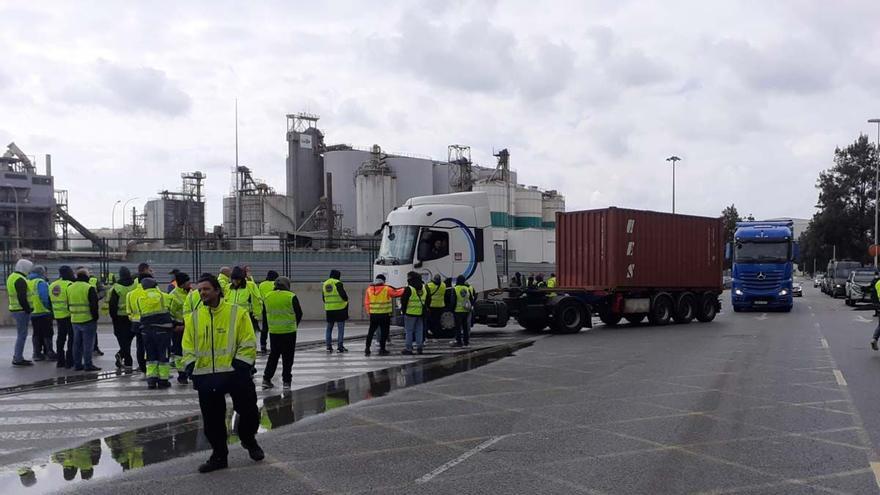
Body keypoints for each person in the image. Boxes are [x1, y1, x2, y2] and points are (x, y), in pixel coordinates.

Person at [182, 274, 263, 473]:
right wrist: (192, 367)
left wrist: (240, 366)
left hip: (235, 373)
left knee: (249, 413)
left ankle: (248, 439)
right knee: (212, 421)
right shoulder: (193, 318)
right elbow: (187, 346)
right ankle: (219, 456)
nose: (202, 293)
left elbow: (248, 341)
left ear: (217, 290)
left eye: (206, 289)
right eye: (200, 290)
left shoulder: (237, 313)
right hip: (206, 376)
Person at [261, 276, 303, 389]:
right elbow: (299, 313)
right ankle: (286, 381)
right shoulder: (291, 296)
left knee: (273, 356)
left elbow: (265, 315)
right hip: (289, 332)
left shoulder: (267, 296)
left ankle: (266, 378)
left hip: (274, 332)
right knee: (288, 357)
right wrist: (294, 325)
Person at [134, 276, 174, 389]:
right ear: (155, 285)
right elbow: (172, 309)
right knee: (163, 355)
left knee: (151, 356)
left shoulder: (139, 299)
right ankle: (163, 380)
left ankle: (151, 380)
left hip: (146, 331)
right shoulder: (164, 297)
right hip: (162, 330)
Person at [69, 267, 100, 371]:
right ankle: (88, 364)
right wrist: (95, 317)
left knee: (76, 344)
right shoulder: (89, 287)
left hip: (74, 319)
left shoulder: (70, 287)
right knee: (88, 344)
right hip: (88, 319)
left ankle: (77, 364)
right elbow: (94, 305)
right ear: (87, 276)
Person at [363, 274, 403, 356]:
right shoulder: (386, 289)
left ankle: (367, 348)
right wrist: (406, 289)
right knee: (384, 332)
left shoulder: (369, 289)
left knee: (371, 331)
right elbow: (396, 293)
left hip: (374, 315)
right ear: (383, 281)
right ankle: (382, 349)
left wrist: (369, 312)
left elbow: (366, 302)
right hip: (385, 315)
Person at [126, 262, 153, 373]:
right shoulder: (151, 292)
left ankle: (142, 367)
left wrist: (133, 318)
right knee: (151, 346)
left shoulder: (131, 294)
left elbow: (129, 311)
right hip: (150, 322)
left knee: (140, 346)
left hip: (136, 323)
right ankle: (150, 367)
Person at [108, 267, 136, 370]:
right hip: (132, 316)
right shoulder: (135, 285)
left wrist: (113, 318)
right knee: (129, 338)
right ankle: (123, 356)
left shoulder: (116, 288)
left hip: (119, 317)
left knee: (122, 338)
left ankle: (125, 357)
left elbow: (113, 306)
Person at [9, 258, 34, 366]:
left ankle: (18, 357)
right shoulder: (20, 279)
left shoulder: (12, 277)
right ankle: (18, 358)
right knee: (22, 335)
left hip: (15, 309)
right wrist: (28, 309)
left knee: (21, 334)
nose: (29, 270)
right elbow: (22, 297)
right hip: (21, 310)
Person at [50, 265, 76, 368]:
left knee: (60, 338)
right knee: (71, 338)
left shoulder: (52, 285)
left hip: (58, 315)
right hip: (69, 315)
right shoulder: (70, 285)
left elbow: (49, 301)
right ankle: (70, 360)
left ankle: (60, 360)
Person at [28, 265, 55, 361]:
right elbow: (45, 297)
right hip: (43, 312)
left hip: (34, 312)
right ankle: (49, 352)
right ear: (42, 273)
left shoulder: (29, 282)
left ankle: (36, 353)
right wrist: (49, 309)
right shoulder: (41, 282)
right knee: (47, 333)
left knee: (36, 333)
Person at [169, 272, 191, 384]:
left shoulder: (192, 293)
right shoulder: (173, 295)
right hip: (179, 328)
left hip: (191, 327)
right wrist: (175, 326)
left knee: (191, 350)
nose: (190, 283)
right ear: (182, 283)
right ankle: (182, 374)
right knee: (179, 352)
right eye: (188, 281)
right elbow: (169, 313)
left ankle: (191, 371)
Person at [400, 271, 429, 355]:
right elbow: (428, 299)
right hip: (420, 313)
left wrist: (404, 310)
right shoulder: (424, 287)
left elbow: (404, 301)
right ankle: (419, 347)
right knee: (419, 330)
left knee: (409, 331)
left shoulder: (409, 288)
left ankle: (409, 348)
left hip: (410, 313)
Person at [322, 270, 349, 353]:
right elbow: (343, 295)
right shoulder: (338, 283)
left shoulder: (325, 284)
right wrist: (346, 300)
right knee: (340, 329)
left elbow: (323, 298)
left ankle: (328, 346)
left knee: (329, 328)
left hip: (329, 309)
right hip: (340, 309)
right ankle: (340, 347)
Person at [258, 271, 279, 355]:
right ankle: (275, 345)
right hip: (274, 306)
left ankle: (263, 345)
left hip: (265, 306)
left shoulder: (262, 284)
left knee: (265, 327)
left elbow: (259, 295)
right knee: (274, 328)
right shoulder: (276, 283)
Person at [452, 275, 475, 348]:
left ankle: (459, 342)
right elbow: (471, 298)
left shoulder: (455, 289)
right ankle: (466, 342)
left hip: (457, 311)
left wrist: (452, 309)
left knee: (458, 328)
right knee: (465, 327)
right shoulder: (467, 288)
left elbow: (453, 300)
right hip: (466, 310)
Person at [425, 275, 447, 339]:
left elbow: (427, 296)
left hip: (432, 306)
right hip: (440, 306)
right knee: (438, 321)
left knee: (430, 321)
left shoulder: (429, 285)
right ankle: (438, 335)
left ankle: (431, 334)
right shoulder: (443, 285)